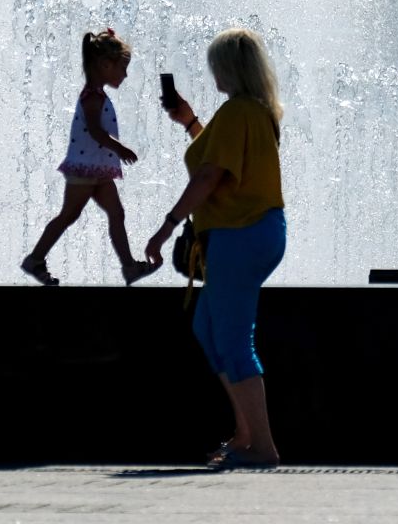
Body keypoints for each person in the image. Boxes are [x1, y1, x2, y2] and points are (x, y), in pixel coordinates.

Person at [145, 27, 287, 470]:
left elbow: (208, 178)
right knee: (209, 327)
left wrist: (166, 227)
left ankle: (262, 447)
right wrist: (189, 122)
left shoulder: (238, 112)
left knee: (231, 337)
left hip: (240, 234)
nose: (211, 74)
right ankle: (245, 432)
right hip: (255, 231)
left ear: (228, 68)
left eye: (215, 66)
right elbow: (218, 159)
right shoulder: (254, 112)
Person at [21, 28, 160, 287]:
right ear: (105, 65)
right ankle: (35, 259)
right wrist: (120, 149)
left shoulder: (97, 93)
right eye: (122, 68)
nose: (125, 74)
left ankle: (129, 267)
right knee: (69, 215)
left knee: (117, 213)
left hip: (97, 169)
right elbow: (96, 131)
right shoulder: (92, 97)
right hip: (85, 169)